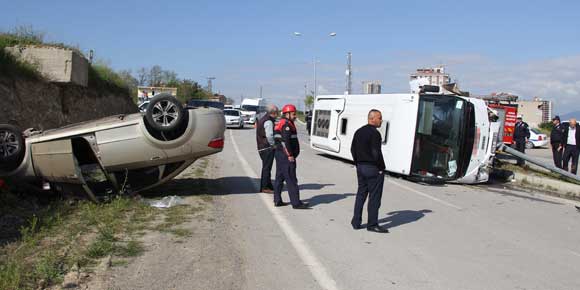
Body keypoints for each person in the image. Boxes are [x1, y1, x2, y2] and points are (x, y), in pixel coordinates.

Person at [350, 109, 388, 233]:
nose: (381, 120)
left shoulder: (359, 131)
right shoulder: (375, 134)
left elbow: (352, 149)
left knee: (361, 194)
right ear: (372, 118)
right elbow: (376, 153)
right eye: (379, 117)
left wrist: (357, 163)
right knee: (374, 197)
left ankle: (356, 221)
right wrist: (381, 168)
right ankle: (372, 224)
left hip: (360, 167)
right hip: (372, 168)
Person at [273, 104, 310, 209]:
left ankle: (277, 200)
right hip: (286, 156)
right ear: (287, 114)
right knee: (292, 179)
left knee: (279, 178)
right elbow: (285, 142)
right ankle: (296, 203)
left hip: (280, 155)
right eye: (293, 114)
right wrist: (290, 155)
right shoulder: (286, 125)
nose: (295, 116)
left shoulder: (282, 123)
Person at [256, 105, 278, 193]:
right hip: (267, 147)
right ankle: (265, 187)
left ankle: (268, 185)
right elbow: (269, 135)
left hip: (263, 147)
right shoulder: (268, 121)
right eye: (277, 112)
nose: (278, 114)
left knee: (267, 167)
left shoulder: (264, 118)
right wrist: (273, 145)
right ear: (274, 113)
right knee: (266, 168)